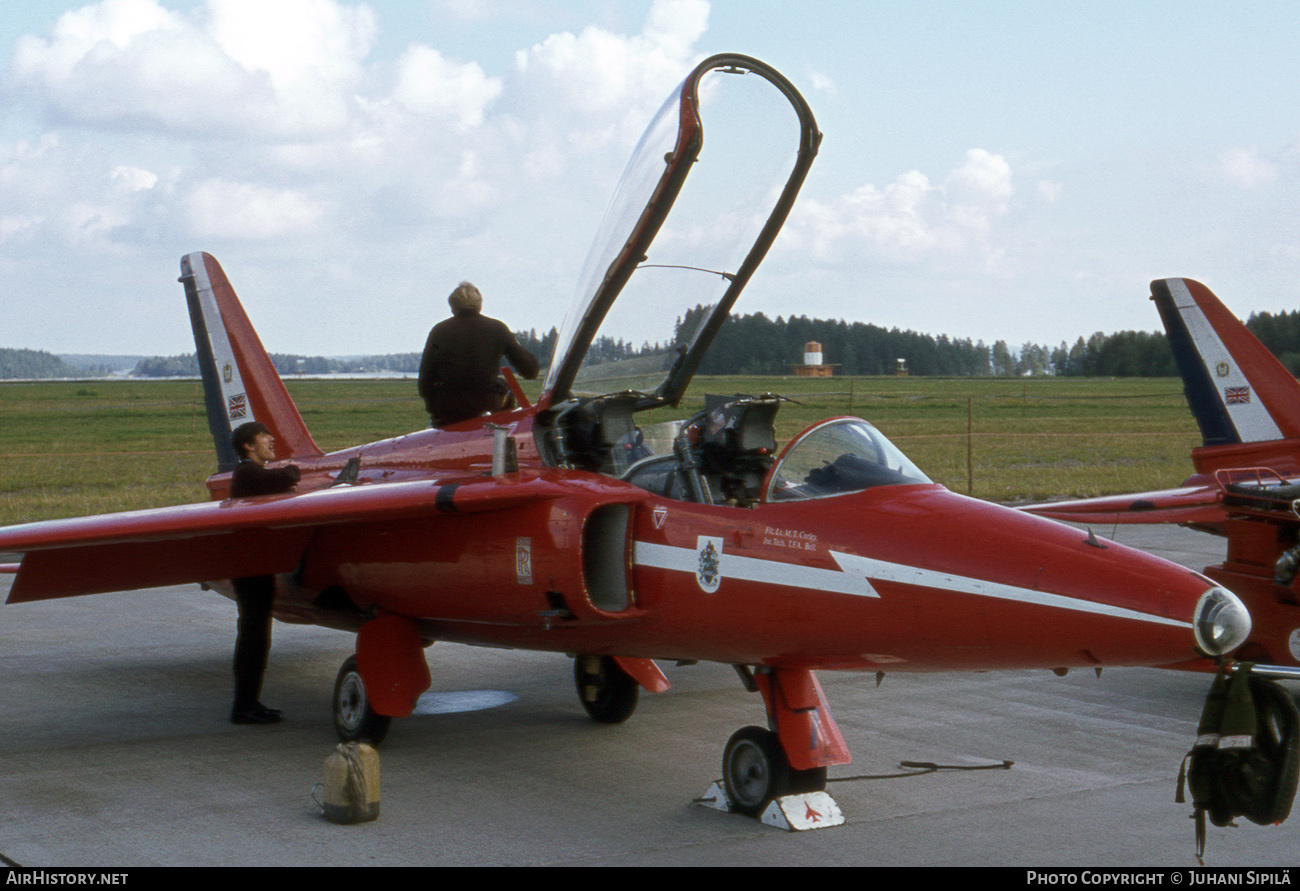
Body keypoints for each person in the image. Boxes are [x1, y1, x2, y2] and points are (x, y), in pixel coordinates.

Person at [227, 421, 300, 725]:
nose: (271, 439)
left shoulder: (251, 476)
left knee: (254, 633)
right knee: (254, 635)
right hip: (249, 566)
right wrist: (293, 472)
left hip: (252, 564)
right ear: (248, 445)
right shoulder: (247, 472)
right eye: (263, 436)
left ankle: (247, 703)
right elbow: (285, 477)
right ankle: (244, 707)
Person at [418, 282, 540, 426]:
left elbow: (425, 382)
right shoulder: (497, 328)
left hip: (448, 412)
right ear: (479, 305)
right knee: (505, 389)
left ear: (453, 306)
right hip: (488, 408)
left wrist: (435, 410)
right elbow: (530, 371)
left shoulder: (438, 331)